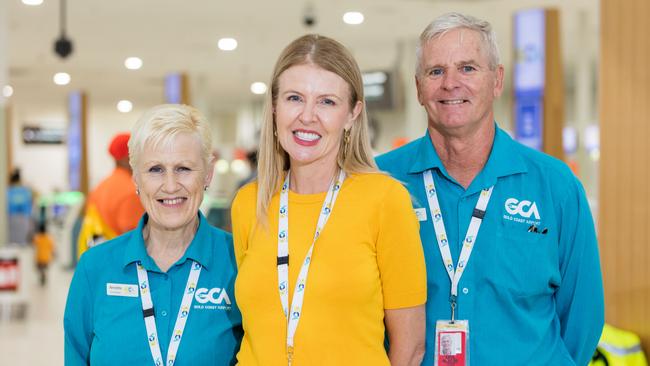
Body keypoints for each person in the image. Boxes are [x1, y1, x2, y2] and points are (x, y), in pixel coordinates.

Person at [376, 12, 604, 365]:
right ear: (419, 88)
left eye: (468, 68)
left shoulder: (555, 186)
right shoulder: (379, 182)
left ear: (497, 80)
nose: (451, 83)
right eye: (436, 71)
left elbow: (582, 320)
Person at [231, 34, 427, 366]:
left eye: (327, 102)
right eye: (295, 98)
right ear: (275, 106)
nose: (308, 116)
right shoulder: (250, 203)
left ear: (352, 114)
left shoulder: (385, 200)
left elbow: (410, 349)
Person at [64, 104, 242, 365]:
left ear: (208, 174)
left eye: (184, 168)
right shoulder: (95, 268)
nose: (170, 186)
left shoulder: (239, 260)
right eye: (155, 169)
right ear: (136, 178)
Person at [77, 132, 145, 256]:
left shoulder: (99, 187)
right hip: (120, 264)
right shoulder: (130, 192)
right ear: (128, 157)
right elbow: (134, 241)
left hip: (100, 259)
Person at [7, 168, 33, 244]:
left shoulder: (8, 191)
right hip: (24, 218)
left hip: (11, 218)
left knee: (11, 240)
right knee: (22, 240)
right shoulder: (26, 191)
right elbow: (30, 204)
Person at [33, 204, 55, 286]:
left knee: (39, 268)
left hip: (39, 258)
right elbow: (52, 247)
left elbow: (34, 243)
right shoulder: (49, 238)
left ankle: (42, 276)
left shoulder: (37, 238)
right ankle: (44, 275)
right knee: (45, 268)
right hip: (46, 258)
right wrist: (53, 253)